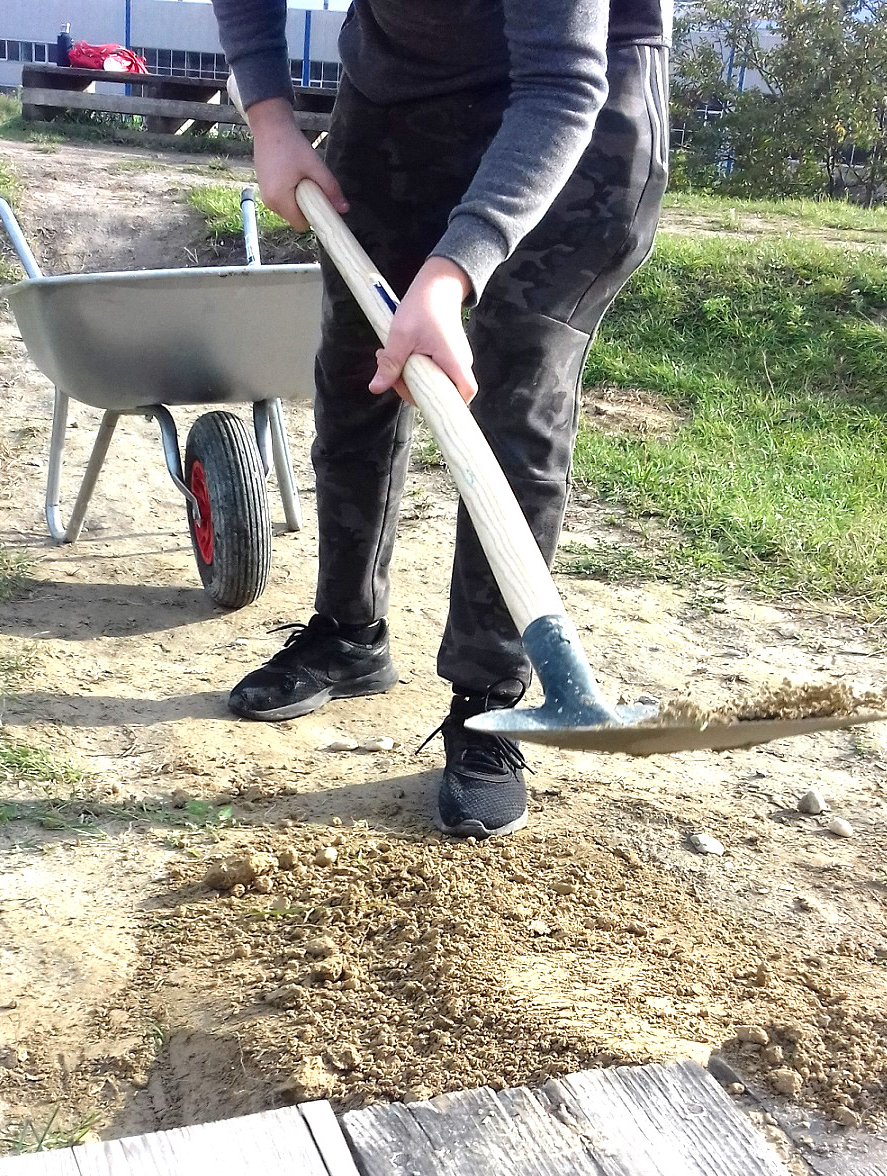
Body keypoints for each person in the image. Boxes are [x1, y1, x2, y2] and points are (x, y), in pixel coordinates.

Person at [210, 0, 671, 839]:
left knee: (512, 389)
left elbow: (562, 83)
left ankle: (488, 700)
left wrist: (455, 271)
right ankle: (348, 636)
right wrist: (269, 116)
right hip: (397, 90)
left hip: (581, 91)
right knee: (362, 368)